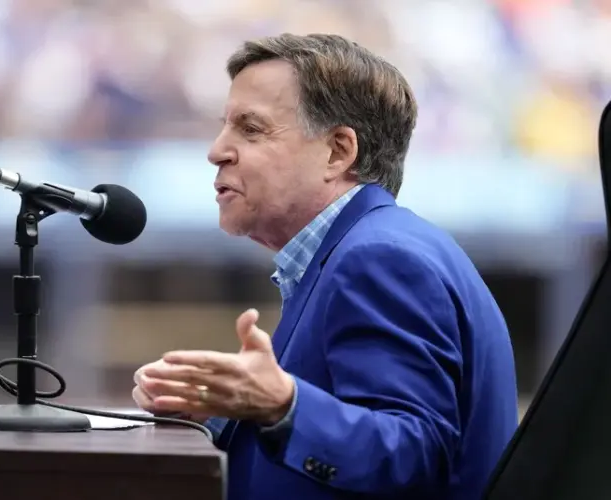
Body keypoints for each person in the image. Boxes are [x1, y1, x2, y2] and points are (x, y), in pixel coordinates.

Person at [132, 33, 519, 500]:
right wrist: (218, 411)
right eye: (225, 127)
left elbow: (415, 456)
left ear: (338, 152)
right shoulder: (359, 249)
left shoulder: (379, 259)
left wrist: (282, 405)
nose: (217, 151)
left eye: (250, 129)